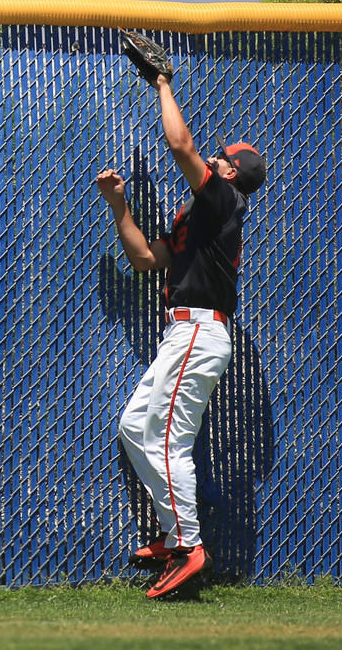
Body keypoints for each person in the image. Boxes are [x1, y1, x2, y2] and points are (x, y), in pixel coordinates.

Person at [96, 74, 266, 599]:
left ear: (232, 172)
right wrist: (120, 206)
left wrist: (163, 83)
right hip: (184, 332)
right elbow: (147, 259)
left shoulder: (224, 201)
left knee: (167, 440)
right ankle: (176, 540)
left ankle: (190, 547)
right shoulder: (201, 214)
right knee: (133, 427)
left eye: (221, 157)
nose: (211, 159)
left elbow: (179, 144)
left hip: (199, 329)